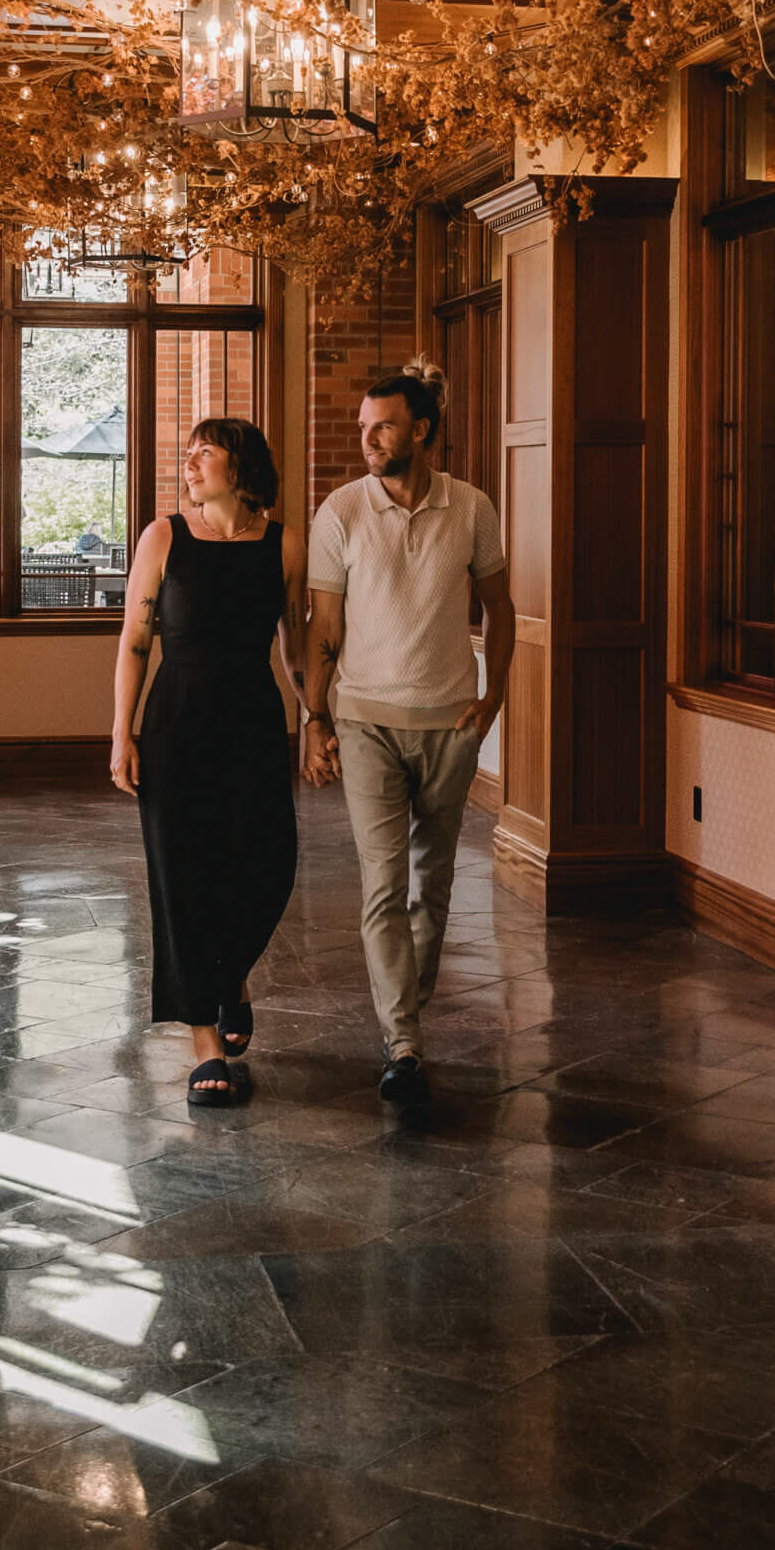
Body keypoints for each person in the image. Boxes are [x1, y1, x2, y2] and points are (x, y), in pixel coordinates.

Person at [303, 357, 514, 1105]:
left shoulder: (473, 507)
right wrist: (314, 715)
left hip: (450, 723)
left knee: (435, 881)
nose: (368, 438)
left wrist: (494, 701)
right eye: (364, 427)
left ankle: (405, 1012)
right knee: (383, 886)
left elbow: (500, 606)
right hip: (365, 724)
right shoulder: (341, 513)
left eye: (382, 425)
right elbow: (323, 625)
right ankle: (403, 1041)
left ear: (420, 431)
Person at [112, 419, 303, 1106]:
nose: (190, 464)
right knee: (183, 874)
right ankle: (204, 1041)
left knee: (268, 861)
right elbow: (136, 641)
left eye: (206, 453)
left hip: (254, 721)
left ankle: (233, 979)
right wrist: (120, 734)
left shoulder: (284, 545)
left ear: (241, 465)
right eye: (187, 454)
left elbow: (295, 648)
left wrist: (319, 717)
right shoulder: (164, 537)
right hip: (176, 724)